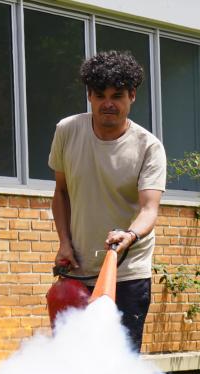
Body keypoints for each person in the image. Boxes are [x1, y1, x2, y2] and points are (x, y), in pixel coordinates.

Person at [49, 51, 166, 352]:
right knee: (72, 358)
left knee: (119, 363)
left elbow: (149, 208)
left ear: (132, 96)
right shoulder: (67, 131)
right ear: (89, 96)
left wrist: (129, 235)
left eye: (117, 95)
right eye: (99, 95)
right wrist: (64, 241)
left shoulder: (148, 146)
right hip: (78, 267)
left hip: (126, 272)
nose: (108, 104)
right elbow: (61, 192)